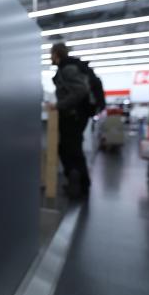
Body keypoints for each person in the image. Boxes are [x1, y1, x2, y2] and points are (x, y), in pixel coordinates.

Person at [46, 43, 91, 199]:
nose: (50, 57)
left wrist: (59, 105)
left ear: (56, 54)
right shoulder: (67, 68)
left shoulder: (68, 69)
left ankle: (80, 186)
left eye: (51, 53)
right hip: (73, 116)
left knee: (71, 151)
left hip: (73, 116)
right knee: (70, 149)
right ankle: (80, 184)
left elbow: (81, 90)